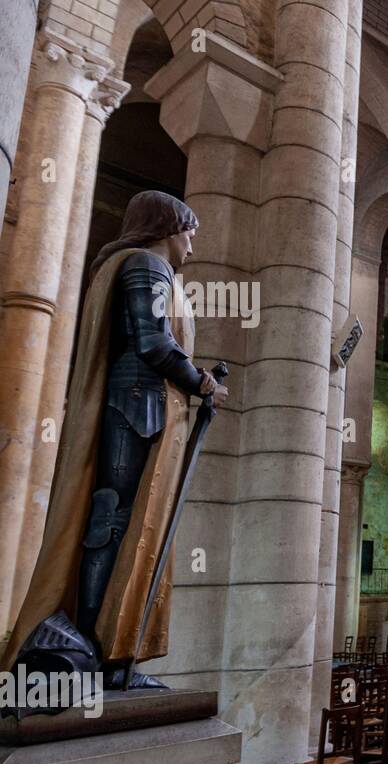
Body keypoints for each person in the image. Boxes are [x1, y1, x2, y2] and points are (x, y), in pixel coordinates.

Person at [1, 190, 228, 689]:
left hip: (140, 408)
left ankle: (109, 652)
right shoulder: (147, 266)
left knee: (119, 525)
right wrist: (202, 382)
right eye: (188, 233)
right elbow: (152, 341)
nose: (191, 246)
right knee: (110, 523)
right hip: (134, 408)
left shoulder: (143, 267)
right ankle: (93, 647)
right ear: (167, 228)